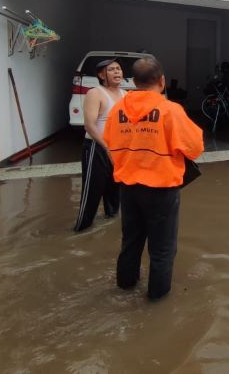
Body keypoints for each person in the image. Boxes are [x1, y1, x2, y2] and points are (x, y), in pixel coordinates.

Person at [104, 56, 204, 301]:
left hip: (128, 187)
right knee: (162, 250)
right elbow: (195, 148)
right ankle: (157, 302)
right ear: (162, 81)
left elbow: (109, 141)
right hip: (161, 190)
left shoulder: (118, 110)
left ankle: (125, 287)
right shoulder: (171, 110)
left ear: (134, 82)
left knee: (131, 242)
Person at [73, 59, 125, 232]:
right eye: (111, 70)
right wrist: (107, 147)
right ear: (102, 75)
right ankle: (81, 230)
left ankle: (110, 225)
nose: (117, 72)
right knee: (92, 193)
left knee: (114, 191)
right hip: (96, 147)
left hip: (117, 150)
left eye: (118, 69)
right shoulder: (95, 93)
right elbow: (89, 125)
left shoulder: (125, 95)